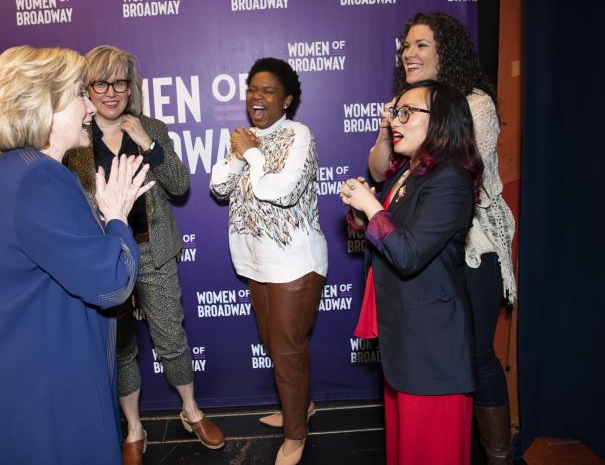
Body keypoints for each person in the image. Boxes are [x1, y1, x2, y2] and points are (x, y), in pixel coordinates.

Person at [0, 45, 153, 464]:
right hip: (46, 393)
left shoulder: (12, 172)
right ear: (42, 106)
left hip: (23, 379)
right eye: (77, 95)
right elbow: (113, 281)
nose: (90, 107)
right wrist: (117, 215)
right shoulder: (38, 178)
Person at [368, 12, 517, 464]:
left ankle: (498, 455)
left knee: (471, 354)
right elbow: (381, 171)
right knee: (427, 359)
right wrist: (390, 123)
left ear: (444, 53)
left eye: (421, 45)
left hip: (470, 245)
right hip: (420, 237)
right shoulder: (404, 109)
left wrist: (415, 118)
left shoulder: (472, 105)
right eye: (406, 46)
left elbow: (458, 162)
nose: (409, 53)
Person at [65, 45, 224, 463]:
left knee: (171, 336)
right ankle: (134, 428)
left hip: (154, 252)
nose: (112, 92)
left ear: (130, 86)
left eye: (120, 82)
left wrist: (148, 144)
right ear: (88, 88)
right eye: (102, 82)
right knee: (120, 349)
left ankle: (191, 411)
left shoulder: (150, 126)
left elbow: (179, 185)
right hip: (105, 258)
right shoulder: (75, 137)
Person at [343, 80, 482, 465]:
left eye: (407, 112)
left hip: (433, 354)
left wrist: (372, 208)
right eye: (394, 112)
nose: (395, 121)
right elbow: (393, 234)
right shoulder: (408, 172)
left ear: (440, 122)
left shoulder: (451, 179)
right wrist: (362, 215)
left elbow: (406, 254)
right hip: (405, 343)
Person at [210, 57, 327, 465]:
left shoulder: (299, 134)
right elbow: (218, 185)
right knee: (277, 346)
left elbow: (280, 191)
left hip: (294, 262)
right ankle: (302, 406)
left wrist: (252, 154)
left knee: (286, 348)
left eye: (268, 90)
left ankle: (296, 435)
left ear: (287, 99)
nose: (257, 97)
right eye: (252, 89)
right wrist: (240, 152)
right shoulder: (246, 137)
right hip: (256, 262)